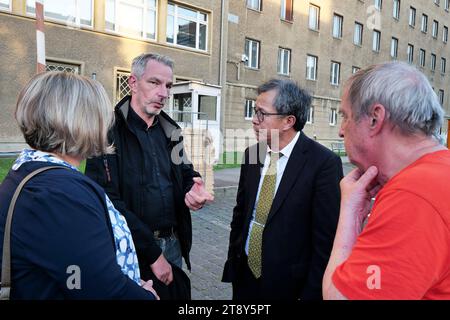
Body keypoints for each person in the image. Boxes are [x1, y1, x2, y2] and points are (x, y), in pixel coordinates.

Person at [0, 72, 158, 299]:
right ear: (84, 121)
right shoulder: (61, 194)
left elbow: (79, 272)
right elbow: (102, 292)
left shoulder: (30, 173)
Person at [323, 61, 450, 299]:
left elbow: (338, 296)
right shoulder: (439, 171)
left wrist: (350, 212)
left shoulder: (413, 195)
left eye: (345, 116)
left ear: (375, 118)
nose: (341, 131)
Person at [85, 53, 213, 288]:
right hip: (129, 248)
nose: (164, 93)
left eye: (168, 85)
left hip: (173, 244)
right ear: (133, 83)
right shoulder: (106, 131)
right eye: (154, 82)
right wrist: (153, 253)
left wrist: (192, 188)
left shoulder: (171, 130)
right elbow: (106, 200)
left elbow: (185, 171)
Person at [222, 79, 343, 300]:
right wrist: (235, 257)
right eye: (254, 111)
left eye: (261, 113)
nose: (253, 120)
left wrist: (311, 294)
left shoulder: (324, 164)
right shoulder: (252, 155)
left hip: (288, 285)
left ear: (288, 121)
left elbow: (325, 241)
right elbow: (240, 214)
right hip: (245, 274)